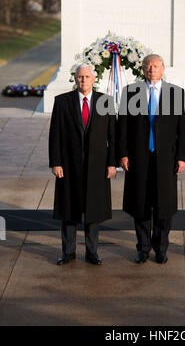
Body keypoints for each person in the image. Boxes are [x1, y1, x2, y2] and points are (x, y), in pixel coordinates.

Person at [118, 54, 185, 264]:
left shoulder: (176, 93)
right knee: (140, 204)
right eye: (148, 66)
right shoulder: (130, 92)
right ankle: (143, 247)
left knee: (163, 206)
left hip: (165, 160)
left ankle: (161, 248)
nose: (151, 69)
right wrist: (122, 154)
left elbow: (182, 129)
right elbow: (122, 126)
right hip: (138, 158)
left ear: (163, 68)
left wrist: (182, 157)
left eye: (155, 66)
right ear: (142, 68)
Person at [49, 64, 116, 266]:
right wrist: (56, 162)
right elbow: (55, 135)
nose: (83, 80)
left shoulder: (106, 101)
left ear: (94, 79)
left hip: (97, 166)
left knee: (93, 210)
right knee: (69, 210)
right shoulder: (62, 102)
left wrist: (112, 164)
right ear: (75, 79)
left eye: (87, 77)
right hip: (69, 166)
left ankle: (92, 252)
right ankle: (68, 252)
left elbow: (113, 137)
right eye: (80, 77)